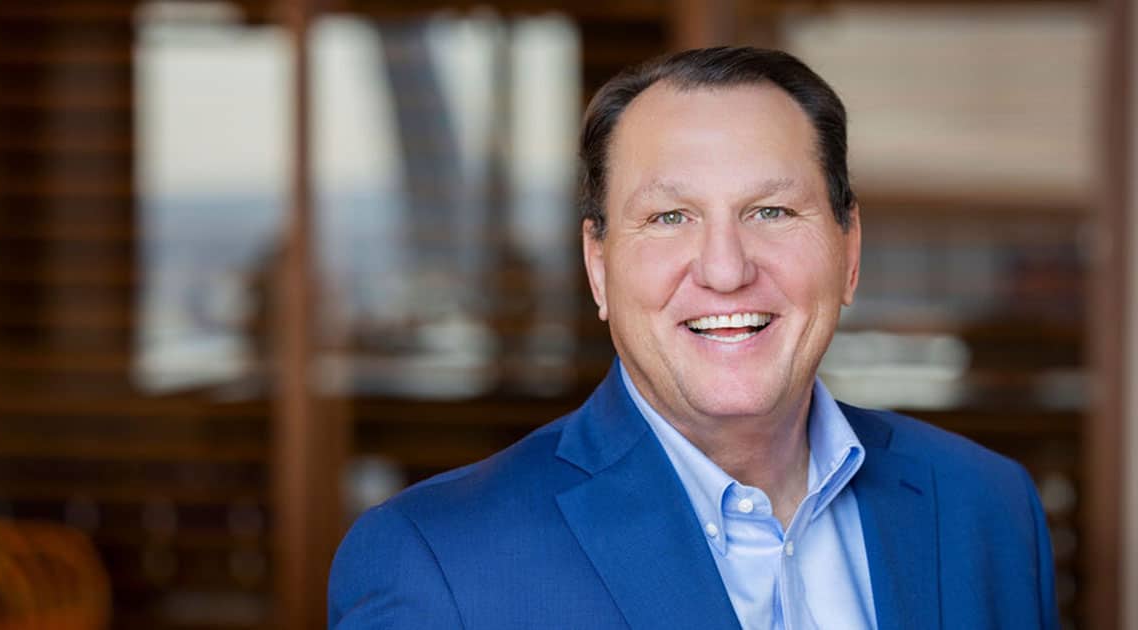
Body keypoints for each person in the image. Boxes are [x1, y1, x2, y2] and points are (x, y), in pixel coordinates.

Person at [328, 46, 1058, 630]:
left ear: (850, 249)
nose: (725, 269)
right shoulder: (438, 562)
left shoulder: (985, 508)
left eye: (771, 211)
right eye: (670, 218)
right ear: (599, 266)